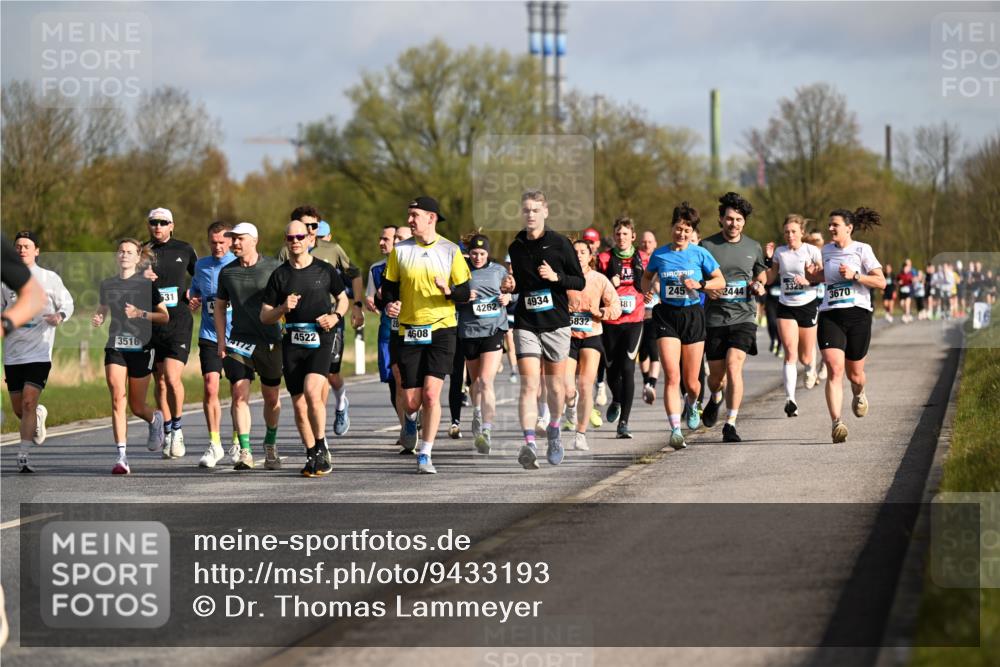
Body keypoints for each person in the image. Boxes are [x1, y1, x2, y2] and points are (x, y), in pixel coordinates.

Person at [382, 196, 472, 474]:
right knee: (411, 400)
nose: (409, 220)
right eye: (409, 215)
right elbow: (389, 287)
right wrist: (390, 303)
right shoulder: (401, 251)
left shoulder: (449, 250)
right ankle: (410, 418)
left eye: (415, 215)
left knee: (432, 395)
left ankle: (425, 452)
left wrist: (449, 291)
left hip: (442, 329)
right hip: (409, 329)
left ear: (431, 218)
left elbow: (465, 292)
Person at [503, 190, 586, 469]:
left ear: (545, 212)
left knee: (556, 388)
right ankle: (529, 443)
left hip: (556, 324)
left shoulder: (561, 243)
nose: (530, 215)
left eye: (535, 210)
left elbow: (580, 281)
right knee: (529, 385)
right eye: (526, 210)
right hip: (526, 323)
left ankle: (554, 429)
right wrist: (511, 286)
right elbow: (520, 283)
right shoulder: (515, 246)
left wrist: (556, 277)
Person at [262, 220, 349, 477]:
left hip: (321, 338)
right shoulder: (280, 275)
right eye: (291, 238)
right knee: (299, 404)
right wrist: (282, 309)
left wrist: (336, 317)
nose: (296, 241)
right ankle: (311, 453)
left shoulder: (324, 270)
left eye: (300, 236)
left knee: (313, 391)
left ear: (310, 239)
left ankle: (321, 446)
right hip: (293, 342)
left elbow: (342, 299)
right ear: (286, 241)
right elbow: (265, 315)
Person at [642, 202, 724, 449]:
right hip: (666, 315)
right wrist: (646, 292)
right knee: (672, 376)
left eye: (687, 230)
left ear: (692, 232)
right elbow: (646, 278)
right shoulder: (660, 255)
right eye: (678, 228)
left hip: (692, 316)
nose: (682, 234)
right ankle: (675, 429)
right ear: (672, 228)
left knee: (692, 383)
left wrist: (700, 285)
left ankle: (692, 403)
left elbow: (720, 280)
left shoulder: (700, 254)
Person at [93, 239, 169, 474]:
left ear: (138, 258)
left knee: (136, 406)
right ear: (117, 256)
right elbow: (103, 307)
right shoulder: (107, 284)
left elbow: (164, 316)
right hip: (116, 345)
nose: (124, 255)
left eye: (129, 252)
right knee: (118, 397)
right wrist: (99, 317)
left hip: (142, 347)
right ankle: (122, 456)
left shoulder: (147, 284)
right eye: (121, 251)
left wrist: (140, 313)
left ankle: (155, 419)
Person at [213, 222, 284, 470]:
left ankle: (270, 442)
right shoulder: (228, 272)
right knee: (238, 394)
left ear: (254, 240)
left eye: (239, 239)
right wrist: (222, 339)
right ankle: (245, 450)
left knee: (271, 397)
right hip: (239, 341)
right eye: (232, 239)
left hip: (270, 341)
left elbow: (288, 302)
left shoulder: (274, 267)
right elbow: (219, 307)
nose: (234, 243)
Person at [812, 207, 885, 443]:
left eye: (835, 225)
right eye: (829, 224)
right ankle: (837, 424)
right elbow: (825, 276)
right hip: (830, 315)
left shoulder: (863, 250)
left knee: (856, 375)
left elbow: (881, 282)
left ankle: (860, 392)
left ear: (849, 228)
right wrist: (810, 276)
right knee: (834, 370)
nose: (830, 228)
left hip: (858, 316)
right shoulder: (826, 251)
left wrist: (856, 276)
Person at [700, 192, 768, 443]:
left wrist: (759, 284)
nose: (734, 224)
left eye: (738, 220)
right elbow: (697, 279)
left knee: (733, 365)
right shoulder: (707, 247)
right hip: (715, 319)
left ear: (744, 222)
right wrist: (707, 286)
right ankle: (715, 396)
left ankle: (730, 423)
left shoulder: (753, 246)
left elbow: (761, 274)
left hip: (744, 316)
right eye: (729, 219)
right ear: (721, 219)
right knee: (716, 377)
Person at [2, 233, 59, 472]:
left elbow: (67, 303)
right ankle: (38, 415)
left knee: (27, 401)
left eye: (27, 246)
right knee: (19, 408)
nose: (22, 250)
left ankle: (23, 454)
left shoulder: (49, 278)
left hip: (38, 351)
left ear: (37, 250)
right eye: (18, 247)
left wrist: (60, 316)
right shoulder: (4, 280)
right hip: (13, 353)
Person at [143, 207, 197, 459]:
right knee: (160, 381)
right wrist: (139, 276)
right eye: (154, 222)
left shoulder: (185, 249)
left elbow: (201, 278)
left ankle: (178, 429)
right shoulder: (141, 251)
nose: (158, 226)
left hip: (179, 322)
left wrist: (194, 295)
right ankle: (165, 429)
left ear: (172, 225)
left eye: (163, 222)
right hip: (152, 324)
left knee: (173, 378)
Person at [309, 215, 365, 436]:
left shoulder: (333, 250)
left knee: (331, 373)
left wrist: (357, 305)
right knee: (314, 376)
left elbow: (355, 272)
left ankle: (341, 402)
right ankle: (317, 428)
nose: (318, 240)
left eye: (322, 236)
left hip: (332, 318)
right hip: (303, 321)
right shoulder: (292, 250)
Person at [454, 234, 510, 454]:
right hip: (468, 331)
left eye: (482, 253)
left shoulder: (499, 271)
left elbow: (511, 292)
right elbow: (450, 296)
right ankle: (477, 413)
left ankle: (486, 430)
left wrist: (507, 299)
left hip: (493, 330)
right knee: (475, 382)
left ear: (488, 254)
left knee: (486, 381)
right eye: (474, 253)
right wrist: (462, 297)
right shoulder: (460, 271)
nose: (478, 257)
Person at [763, 214, 823, 418]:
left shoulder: (812, 251)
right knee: (790, 353)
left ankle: (810, 368)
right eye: (787, 232)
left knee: (806, 356)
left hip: (807, 305)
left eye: (794, 232)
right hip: (786, 306)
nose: (790, 235)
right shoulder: (780, 252)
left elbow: (824, 276)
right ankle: (791, 400)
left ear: (802, 233)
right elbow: (770, 279)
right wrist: (768, 259)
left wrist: (810, 281)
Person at [565, 239, 620, 451]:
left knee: (585, 385)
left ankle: (580, 433)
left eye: (582, 252)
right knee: (567, 388)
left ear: (590, 256)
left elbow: (614, 306)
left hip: (592, 334)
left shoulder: (599, 279)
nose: (578, 255)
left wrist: (602, 312)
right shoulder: (563, 279)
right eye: (575, 251)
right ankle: (570, 405)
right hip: (568, 336)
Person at [187, 222, 235, 465]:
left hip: (237, 336)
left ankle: (238, 440)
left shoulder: (238, 265)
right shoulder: (201, 265)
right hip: (209, 335)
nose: (217, 247)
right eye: (213, 242)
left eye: (222, 242)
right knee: (210, 386)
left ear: (230, 242)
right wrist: (193, 299)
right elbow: (195, 290)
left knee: (238, 391)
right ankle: (214, 444)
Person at [597, 217, 649, 439]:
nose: (621, 237)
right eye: (618, 233)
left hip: (634, 320)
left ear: (633, 237)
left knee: (628, 368)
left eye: (625, 234)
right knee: (611, 371)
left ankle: (624, 423)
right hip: (610, 321)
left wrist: (651, 292)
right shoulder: (604, 258)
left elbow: (651, 282)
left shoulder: (644, 259)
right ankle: (616, 399)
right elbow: (595, 283)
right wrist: (610, 282)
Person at [367, 225, 404, 443]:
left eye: (387, 239)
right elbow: (372, 299)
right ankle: (405, 428)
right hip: (388, 330)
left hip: (411, 330)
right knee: (392, 380)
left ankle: (413, 419)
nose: (382, 242)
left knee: (409, 379)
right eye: (381, 238)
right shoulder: (376, 269)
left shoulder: (415, 264)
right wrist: (375, 300)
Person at [638, 230, 662, 405]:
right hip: (638, 315)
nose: (647, 244)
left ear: (655, 244)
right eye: (644, 242)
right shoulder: (635, 262)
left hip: (655, 314)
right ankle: (647, 381)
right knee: (643, 353)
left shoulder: (662, 262)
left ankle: (651, 384)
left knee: (654, 352)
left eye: (650, 241)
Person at [896, 259, 914, 323]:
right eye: (905, 268)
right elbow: (896, 281)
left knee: (907, 304)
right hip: (902, 292)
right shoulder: (900, 274)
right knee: (902, 304)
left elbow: (913, 280)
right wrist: (899, 282)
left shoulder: (911, 273)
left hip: (909, 292)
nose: (906, 269)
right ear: (903, 268)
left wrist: (911, 280)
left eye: (907, 268)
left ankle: (906, 316)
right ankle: (907, 314)